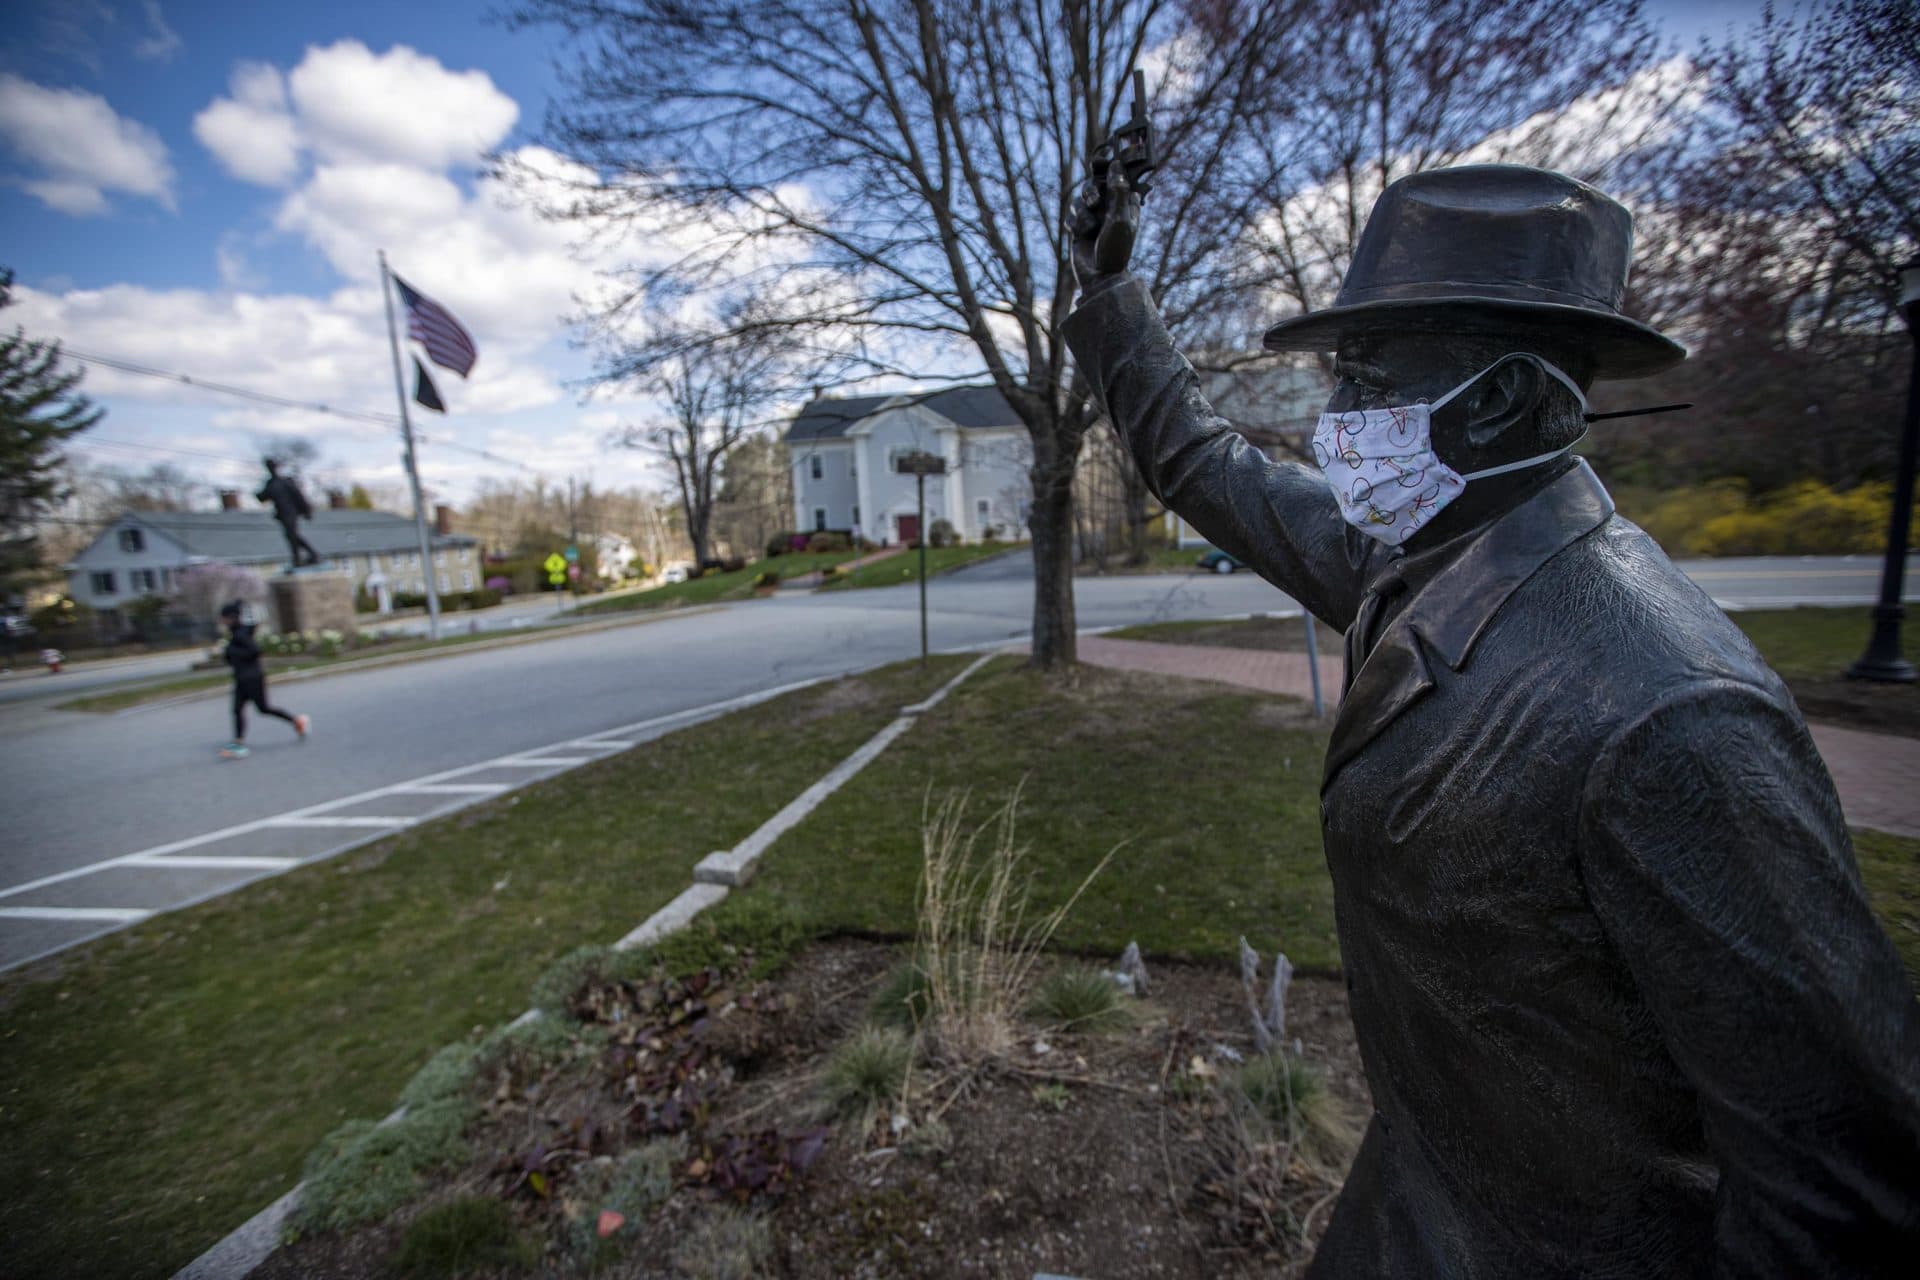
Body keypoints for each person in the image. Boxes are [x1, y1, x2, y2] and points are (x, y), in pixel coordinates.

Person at [1066, 161, 1920, 1275]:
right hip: (1416, 1205)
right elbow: (1204, 461)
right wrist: (1109, 284)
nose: (1337, 422)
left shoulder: (1671, 714)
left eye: (1368, 378)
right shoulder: (1426, 557)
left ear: (1508, 398)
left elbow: (1840, 1190)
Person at [218, 600, 308, 759]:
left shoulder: (241, 635)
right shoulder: (236, 633)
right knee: (237, 709)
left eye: (224, 618)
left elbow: (255, 651)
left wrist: (233, 654)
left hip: (252, 678)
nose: (223, 621)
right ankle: (238, 742)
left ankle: (296, 721)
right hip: (242, 678)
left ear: (231, 617)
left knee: (263, 708)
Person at [257, 458, 320, 570]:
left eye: (272, 467)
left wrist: (307, 511)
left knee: (292, 535)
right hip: (281, 515)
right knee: (290, 536)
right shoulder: (270, 484)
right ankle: (301, 558)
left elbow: (298, 496)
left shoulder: (285, 482)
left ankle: (308, 555)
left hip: (291, 513)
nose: (271, 469)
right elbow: (262, 497)